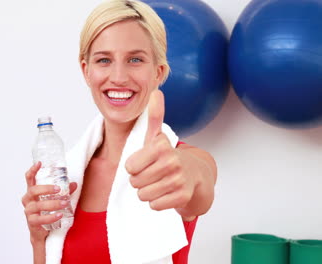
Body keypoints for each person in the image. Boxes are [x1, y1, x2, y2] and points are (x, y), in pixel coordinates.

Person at [21, 0, 217, 263]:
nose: (119, 77)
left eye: (135, 59)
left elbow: (198, 183)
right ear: (86, 71)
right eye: (104, 60)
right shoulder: (65, 175)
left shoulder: (175, 164)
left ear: (158, 73)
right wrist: (37, 238)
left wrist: (189, 174)